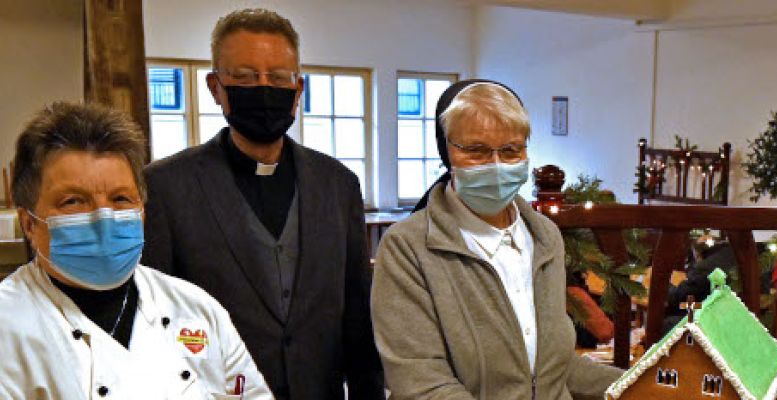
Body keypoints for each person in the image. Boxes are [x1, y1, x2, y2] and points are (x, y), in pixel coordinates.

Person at [141, 8, 382, 399]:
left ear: (298, 90)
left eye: (278, 77)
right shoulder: (166, 187)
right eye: (245, 76)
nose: (264, 87)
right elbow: (155, 321)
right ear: (216, 87)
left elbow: (357, 312)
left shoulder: (338, 184)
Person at [371, 79, 623, 399]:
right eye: (476, 150)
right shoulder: (408, 248)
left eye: (510, 151)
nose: (496, 165)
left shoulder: (544, 237)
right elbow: (423, 384)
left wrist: (640, 385)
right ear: (446, 151)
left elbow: (552, 371)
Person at [0, 102, 271, 398]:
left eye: (120, 198)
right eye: (73, 201)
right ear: (29, 224)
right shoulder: (8, 323)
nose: (103, 217)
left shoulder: (196, 308)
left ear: (142, 210)